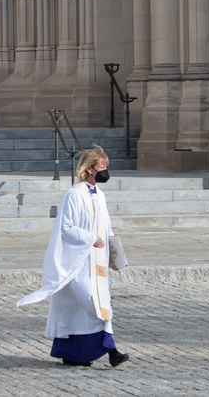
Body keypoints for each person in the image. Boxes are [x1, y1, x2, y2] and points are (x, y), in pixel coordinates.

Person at [16, 145, 130, 368]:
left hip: (97, 264)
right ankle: (111, 351)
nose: (105, 170)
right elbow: (66, 228)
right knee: (93, 304)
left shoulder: (101, 195)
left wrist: (113, 258)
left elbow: (107, 229)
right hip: (77, 263)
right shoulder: (74, 194)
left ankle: (75, 354)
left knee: (88, 308)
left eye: (106, 166)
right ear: (89, 169)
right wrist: (89, 238)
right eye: (101, 166)